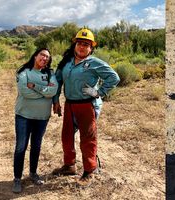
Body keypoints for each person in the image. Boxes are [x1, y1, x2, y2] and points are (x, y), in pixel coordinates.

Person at [51, 28, 120, 187]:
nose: (82, 47)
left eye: (86, 44)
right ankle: (69, 166)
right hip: (70, 104)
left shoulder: (94, 63)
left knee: (87, 140)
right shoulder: (66, 63)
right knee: (66, 137)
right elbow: (58, 80)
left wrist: (99, 92)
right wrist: (56, 101)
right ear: (75, 45)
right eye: (80, 43)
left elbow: (114, 78)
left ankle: (89, 171)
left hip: (87, 105)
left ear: (91, 48)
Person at [12, 48, 58, 193]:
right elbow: (25, 92)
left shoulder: (50, 74)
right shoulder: (24, 72)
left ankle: (33, 173)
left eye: (47, 57)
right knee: (21, 147)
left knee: (36, 146)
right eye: (42, 55)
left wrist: (36, 87)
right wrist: (45, 95)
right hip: (24, 116)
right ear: (35, 56)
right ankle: (17, 178)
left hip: (42, 117)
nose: (44, 58)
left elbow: (53, 90)